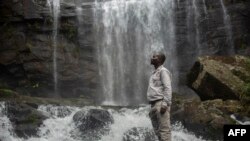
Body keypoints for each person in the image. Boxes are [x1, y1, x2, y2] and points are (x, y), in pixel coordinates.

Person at [147, 52, 172, 141]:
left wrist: (165, 104)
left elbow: (168, 88)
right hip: (153, 105)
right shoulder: (154, 73)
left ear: (160, 60)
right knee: (158, 132)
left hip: (160, 103)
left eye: (154, 57)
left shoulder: (163, 71)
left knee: (164, 131)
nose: (152, 58)